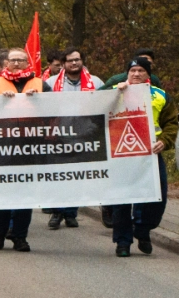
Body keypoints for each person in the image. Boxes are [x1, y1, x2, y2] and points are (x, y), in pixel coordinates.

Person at [0, 48, 50, 251]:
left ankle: (20, 236)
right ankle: (0, 233)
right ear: (6, 63)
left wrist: (39, 101)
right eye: (13, 60)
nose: (17, 64)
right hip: (2, 148)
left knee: (25, 195)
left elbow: (55, 110)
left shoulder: (40, 85)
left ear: (28, 63)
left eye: (21, 60)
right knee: (2, 193)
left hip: (30, 149)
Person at [107, 57, 177, 256]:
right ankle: (122, 242)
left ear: (148, 74)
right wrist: (113, 94)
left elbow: (171, 124)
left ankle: (143, 229)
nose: (136, 74)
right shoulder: (113, 93)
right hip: (121, 156)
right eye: (133, 71)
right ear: (127, 74)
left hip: (150, 156)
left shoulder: (161, 96)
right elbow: (96, 113)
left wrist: (164, 141)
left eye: (141, 71)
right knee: (121, 200)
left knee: (157, 198)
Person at [42, 47, 106, 230]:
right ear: (63, 64)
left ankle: (71, 213)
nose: (74, 63)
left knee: (77, 177)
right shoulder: (51, 82)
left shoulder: (96, 82)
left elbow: (103, 106)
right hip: (58, 138)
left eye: (77, 59)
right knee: (58, 177)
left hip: (85, 137)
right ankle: (57, 213)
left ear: (82, 61)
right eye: (70, 60)